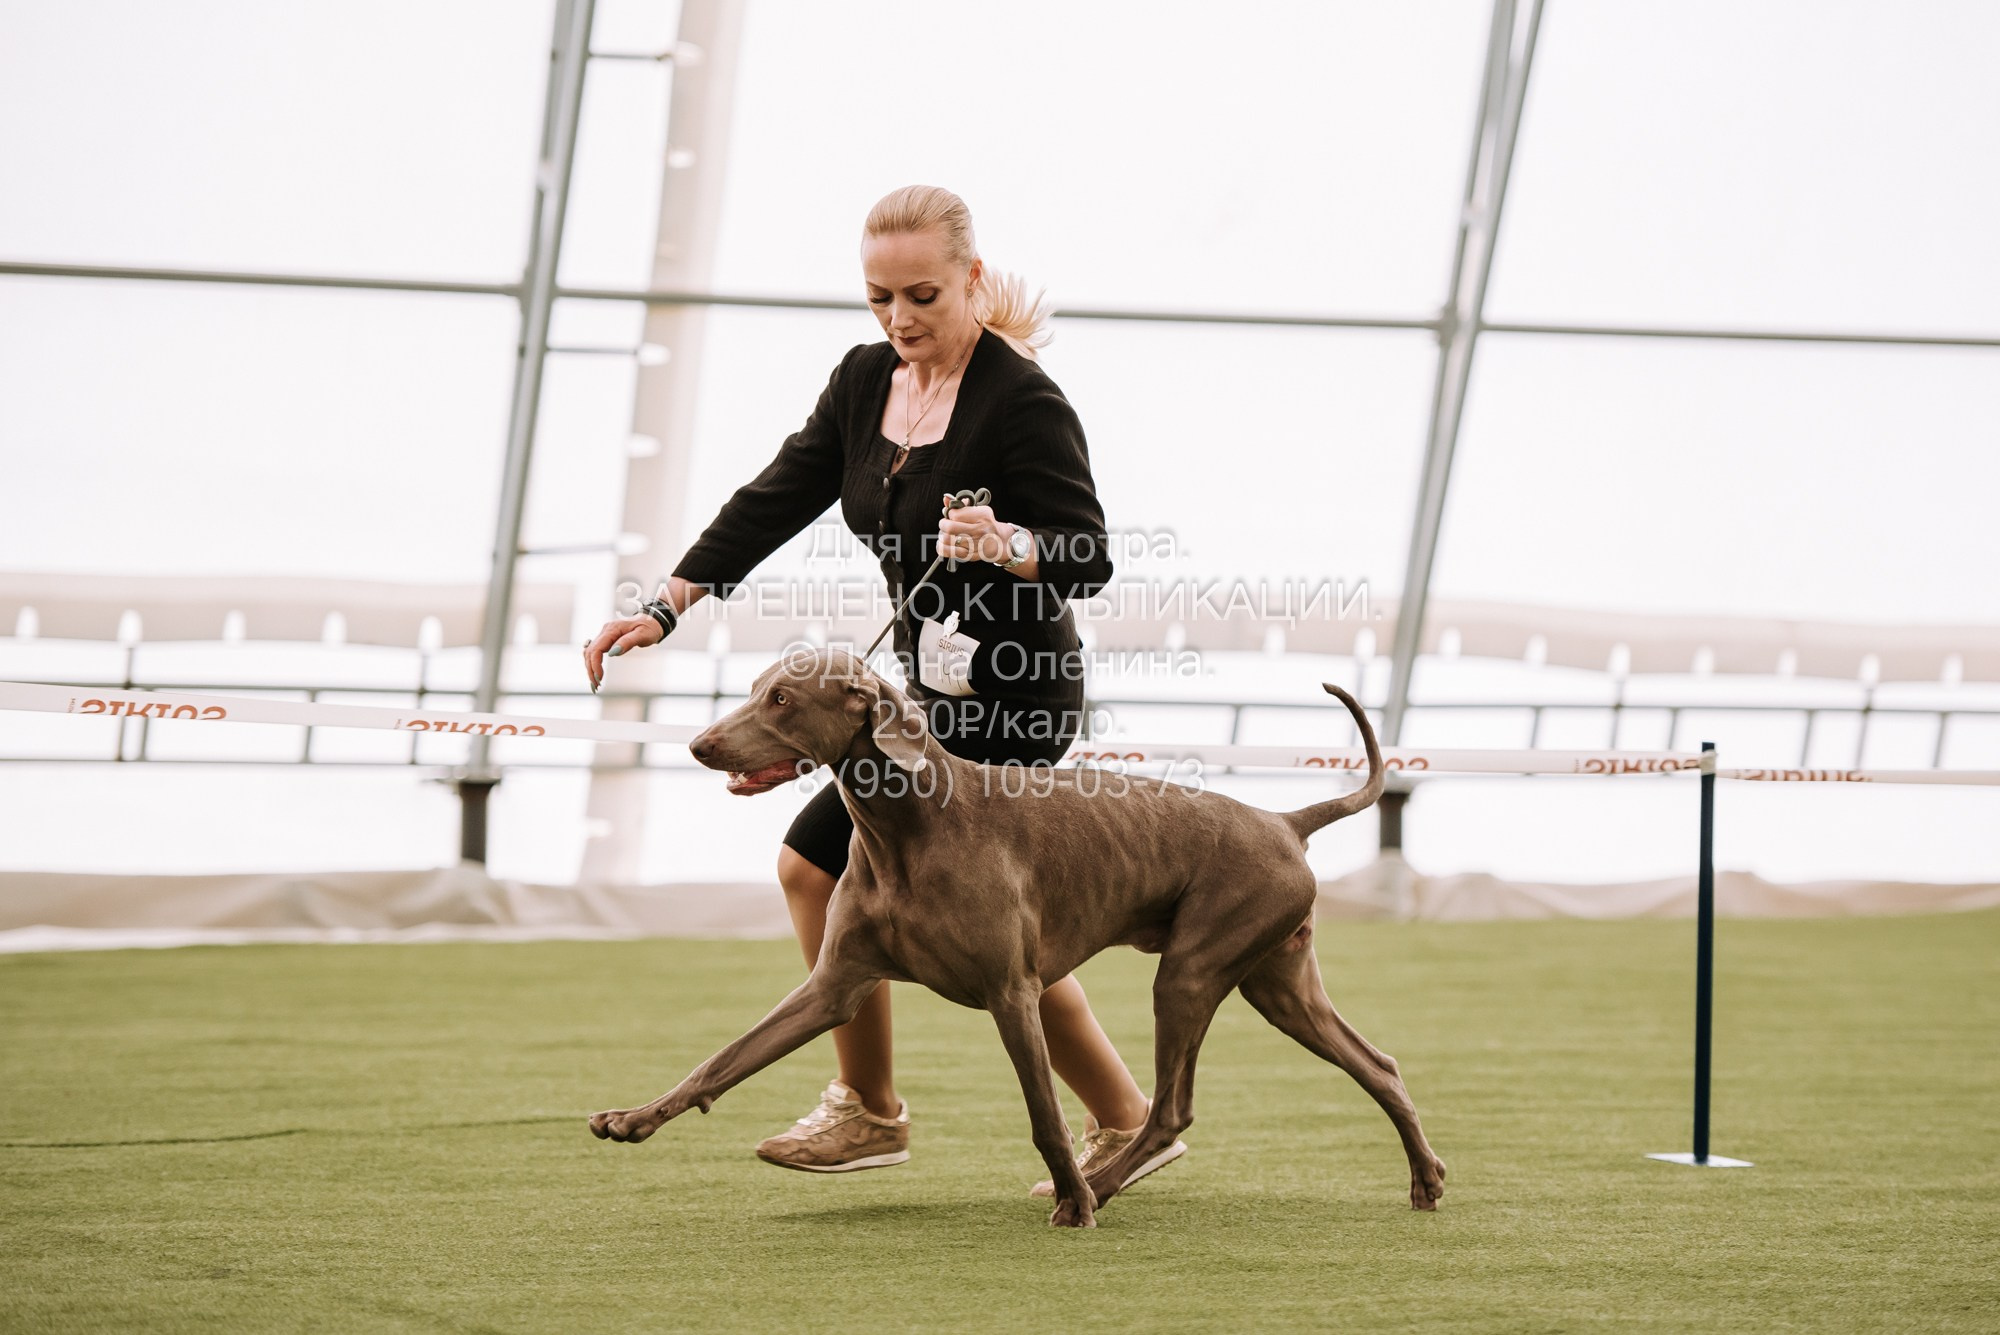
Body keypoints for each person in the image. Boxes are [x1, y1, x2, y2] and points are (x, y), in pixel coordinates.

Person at [584, 184, 1184, 1196]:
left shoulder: (1022, 402)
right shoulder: (865, 382)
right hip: (921, 705)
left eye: (922, 295)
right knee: (823, 874)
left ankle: (1095, 1117)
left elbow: (1088, 559)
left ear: (972, 280)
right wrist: (668, 603)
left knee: (952, 911)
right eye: (878, 299)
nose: (899, 320)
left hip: (1013, 700)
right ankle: (883, 1112)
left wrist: (1008, 545)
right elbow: (775, 494)